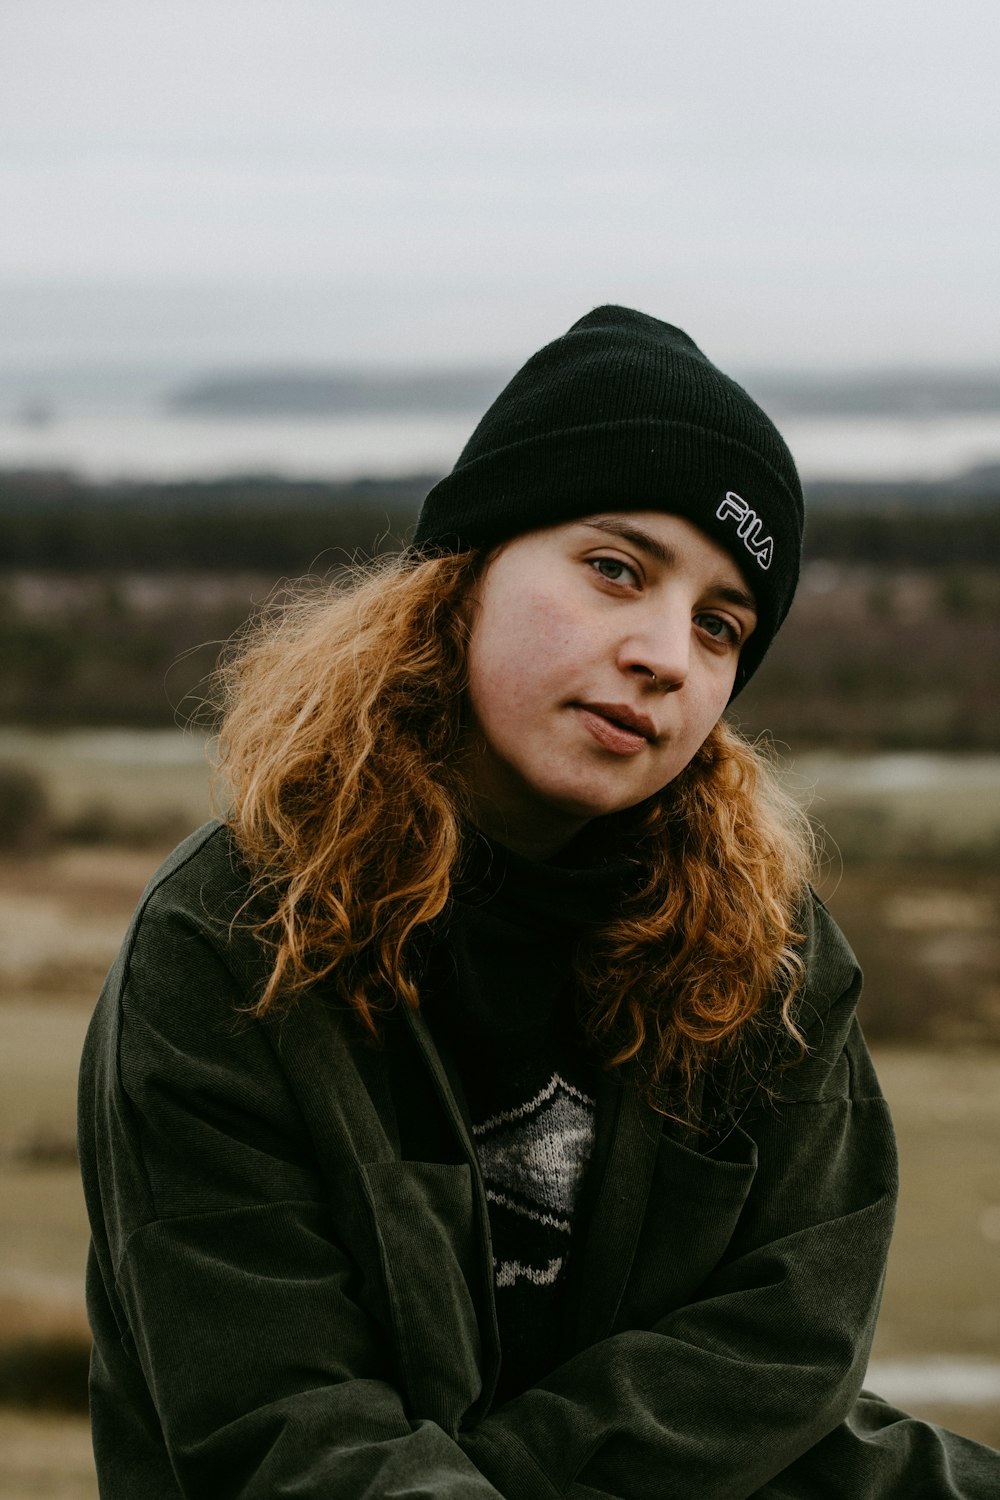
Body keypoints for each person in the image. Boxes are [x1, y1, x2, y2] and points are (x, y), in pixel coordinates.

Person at [78, 305, 999, 1497]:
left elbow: (791, 1345)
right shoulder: (232, 938)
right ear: (461, 579)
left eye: (721, 626)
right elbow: (285, 1431)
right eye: (615, 569)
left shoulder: (761, 952)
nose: (667, 653)